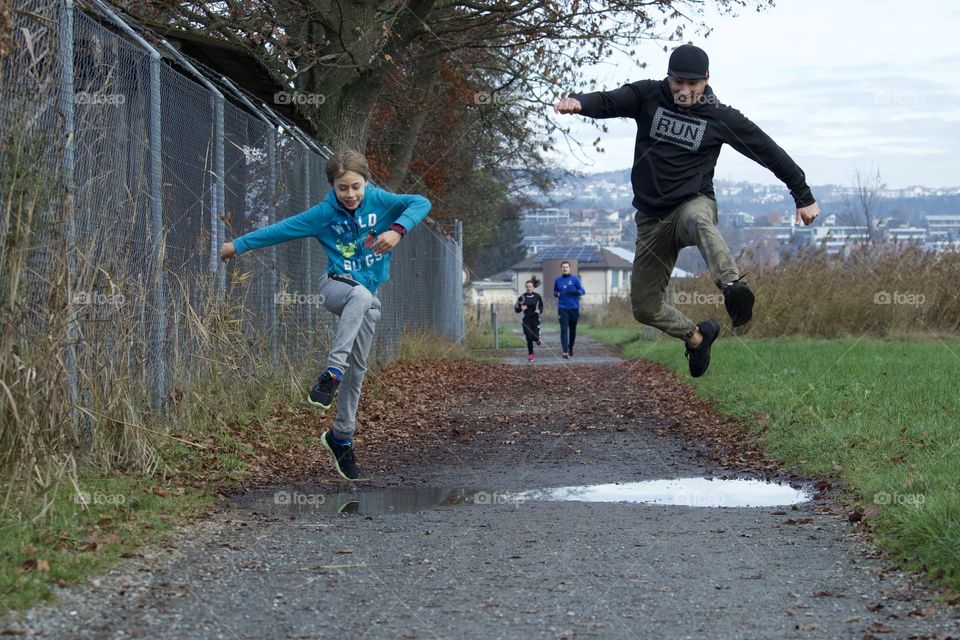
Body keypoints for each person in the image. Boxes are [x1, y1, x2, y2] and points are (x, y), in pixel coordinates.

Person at [553, 44, 820, 377]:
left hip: (691, 203)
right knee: (645, 308)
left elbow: (767, 150)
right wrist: (579, 102)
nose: (684, 91)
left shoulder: (719, 116)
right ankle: (697, 337)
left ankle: (733, 287)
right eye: (678, 82)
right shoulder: (648, 95)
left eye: (693, 84)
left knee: (698, 220)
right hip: (651, 219)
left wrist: (802, 195)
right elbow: (609, 100)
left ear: (706, 80)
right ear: (669, 77)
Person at [219, 150, 430, 481]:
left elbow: (421, 202)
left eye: (355, 187)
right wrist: (239, 245)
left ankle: (341, 436)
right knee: (359, 296)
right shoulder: (323, 214)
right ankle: (331, 374)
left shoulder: (379, 200)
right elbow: (281, 229)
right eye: (342, 188)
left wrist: (398, 231)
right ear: (332, 186)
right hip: (336, 288)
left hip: (367, 299)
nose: (350, 195)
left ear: (366, 183)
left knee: (358, 368)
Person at [553, 261, 585, 359]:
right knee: (563, 329)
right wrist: (556, 294)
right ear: (561, 269)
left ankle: (570, 347)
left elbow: (583, 291)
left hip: (574, 308)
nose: (565, 268)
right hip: (562, 308)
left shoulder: (575, 279)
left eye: (567, 267)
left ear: (569, 268)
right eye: (563, 267)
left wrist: (574, 292)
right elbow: (555, 291)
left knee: (572, 329)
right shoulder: (558, 280)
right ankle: (565, 351)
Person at [514, 278, 544, 361]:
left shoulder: (537, 296)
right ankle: (531, 355)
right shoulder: (522, 297)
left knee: (534, 337)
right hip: (526, 319)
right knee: (529, 337)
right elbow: (516, 309)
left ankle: (537, 339)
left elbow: (541, 306)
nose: (529, 288)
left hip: (535, 318)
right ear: (525, 287)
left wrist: (539, 310)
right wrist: (521, 308)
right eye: (527, 287)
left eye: (530, 286)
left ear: (533, 287)